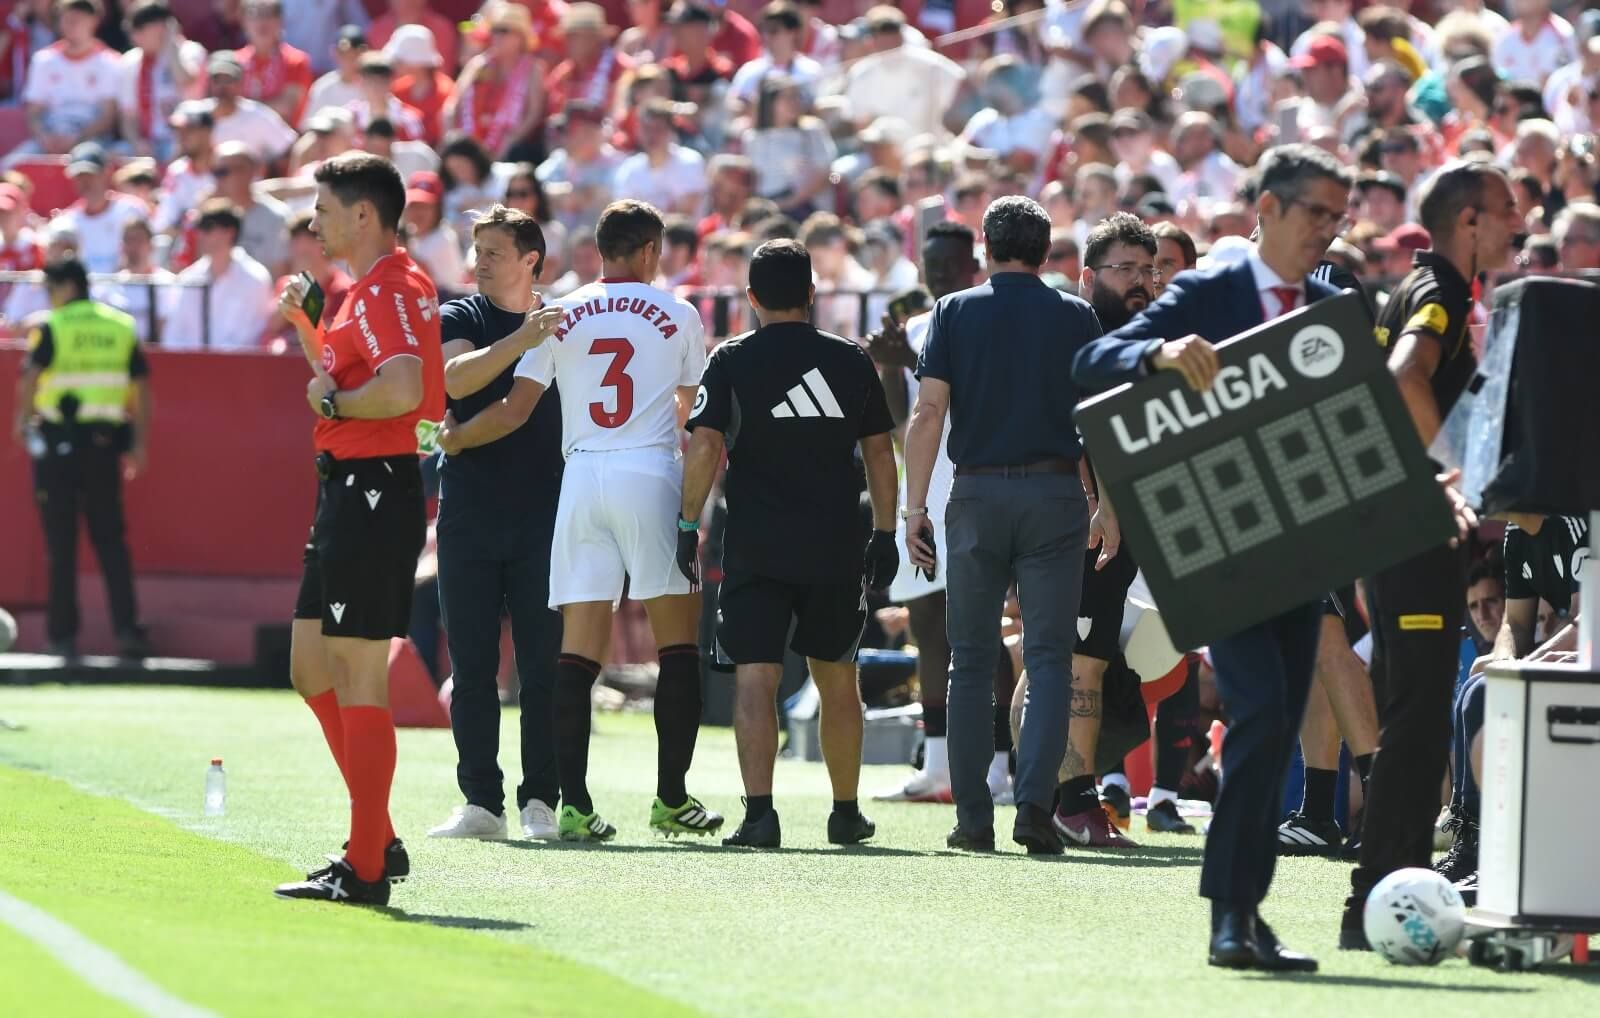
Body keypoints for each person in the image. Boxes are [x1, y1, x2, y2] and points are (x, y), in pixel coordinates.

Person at [1073, 143, 1359, 971]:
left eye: (1339, 217)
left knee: (1270, 731)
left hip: (1303, 540)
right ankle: (1231, 916)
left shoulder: (1330, 300)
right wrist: (1157, 354)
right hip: (1219, 538)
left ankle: (1244, 914)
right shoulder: (1210, 290)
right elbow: (1092, 363)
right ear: (1267, 210)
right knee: (1264, 716)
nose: (1328, 231)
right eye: (1316, 213)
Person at [435, 200, 722, 842]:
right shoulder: (677, 312)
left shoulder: (560, 313)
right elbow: (692, 411)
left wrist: (456, 441)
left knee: (573, 651)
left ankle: (572, 804)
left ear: (598, 249)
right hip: (647, 470)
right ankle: (670, 799)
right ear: (650, 251)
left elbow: (513, 409)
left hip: (580, 478)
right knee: (676, 642)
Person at [1340, 159, 1516, 951]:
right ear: (1470, 221)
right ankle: (1374, 898)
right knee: (1413, 721)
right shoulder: (1440, 293)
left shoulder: (1421, 288)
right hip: (1412, 534)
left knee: (1409, 714)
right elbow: (1403, 371)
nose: (1521, 221)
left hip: (1395, 533)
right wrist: (1437, 476)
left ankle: (1390, 890)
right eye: (1508, 208)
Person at [679, 239, 896, 847]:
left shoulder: (731, 359)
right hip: (834, 542)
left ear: (750, 299)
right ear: (811, 293)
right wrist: (885, 529)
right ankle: (846, 812)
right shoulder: (850, 360)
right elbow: (880, 451)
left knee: (756, 677)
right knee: (836, 674)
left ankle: (760, 815)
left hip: (756, 543)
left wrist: (687, 523)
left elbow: (704, 446)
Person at [271, 152, 446, 905]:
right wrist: (311, 331)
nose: (314, 221)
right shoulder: (374, 290)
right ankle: (380, 836)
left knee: (358, 672)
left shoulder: (387, 290)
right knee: (311, 667)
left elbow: (399, 392)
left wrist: (334, 407)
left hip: (374, 487)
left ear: (363, 214)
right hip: (351, 487)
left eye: (324, 208)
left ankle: (368, 865)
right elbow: (340, 382)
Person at [903, 195, 1100, 856]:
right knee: (1048, 659)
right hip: (1055, 491)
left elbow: (928, 412)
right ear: (1046, 252)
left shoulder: (954, 310)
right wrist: (1109, 505)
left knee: (969, 660)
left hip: (978, 493)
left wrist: (913, 508)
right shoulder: (1076, 314)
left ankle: (973, 818)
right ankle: (1036, 809)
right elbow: (1098, 420)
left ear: (985, 248)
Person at [426, 205, 569, 841]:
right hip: (471, 513)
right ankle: (481, 802)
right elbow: (455, 381)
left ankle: (541, 800)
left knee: (542, 667)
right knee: (473, 664)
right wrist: (522, 339)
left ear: (530, 260)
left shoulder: (567, 317)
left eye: (494, 251)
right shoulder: (461, 313)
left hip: (547, 514)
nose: (479, 261)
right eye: (476, 249)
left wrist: (538, 333)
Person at [870, 222, 979, 804]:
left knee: (983, 632)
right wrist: (889, 365)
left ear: (974, 264)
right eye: (931, 263)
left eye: (950, 263)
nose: (939, 273)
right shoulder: (913, 325)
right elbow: (895, 422)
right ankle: (938, 767)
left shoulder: (981, 317)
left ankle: (996, 769)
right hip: (923, 501)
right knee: (928, 631)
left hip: (978, 495)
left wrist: (910, 354)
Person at [10, 256, 150, 660]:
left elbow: (29, 376)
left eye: (51, 289)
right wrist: (139, 444)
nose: (49, 298)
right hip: (105, 446)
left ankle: (62, 636)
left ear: (67, 286)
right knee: (111, 542)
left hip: (57, 446)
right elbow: (141, 388)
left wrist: (21, 422)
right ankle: (127, 631)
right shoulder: (120, 326)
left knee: (61, 543)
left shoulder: (54, 326)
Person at [166, 199, 277, 350]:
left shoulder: (256, 279)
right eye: (199, 228)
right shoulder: (188, 278)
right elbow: (174, 334)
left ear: (229, 232)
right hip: (189, 368)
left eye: (207, 227)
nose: (200, 235)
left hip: (239, 370)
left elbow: (253, 337)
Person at [19, 0, 121, 155]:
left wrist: (77, 138)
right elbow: (33, 111)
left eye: (78, 19)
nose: (72, 25)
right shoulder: (43, 60)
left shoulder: (110, 61)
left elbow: (108, 116)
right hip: (50, 137)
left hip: (92, 140)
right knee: (11, 166)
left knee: (87, 159)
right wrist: (44, 137)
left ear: (94, 21)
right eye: (67, 19)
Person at [116, 1, 205, 162]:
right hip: (147, 142)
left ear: (162, 27)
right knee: (112, 155)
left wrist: (170, 42)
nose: (135, 36)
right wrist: (137, 143)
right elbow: (128, 117)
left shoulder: (190, 51)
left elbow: (186, 80)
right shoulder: (130, 61)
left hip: (181, 140)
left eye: (141, 29)